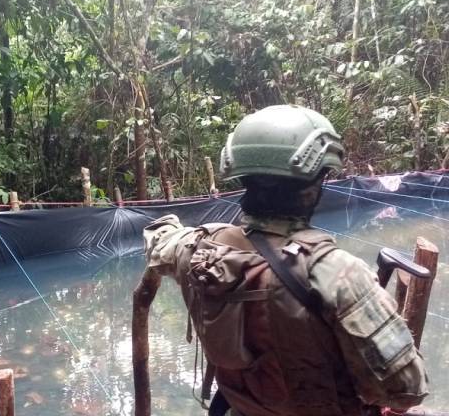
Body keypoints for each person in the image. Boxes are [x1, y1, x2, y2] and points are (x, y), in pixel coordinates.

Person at [143, 105, 428, 416]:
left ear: (244, 178)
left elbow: (158, 236)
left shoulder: (197, 249)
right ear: (315, 184)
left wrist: (179, 228)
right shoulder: (338, 273)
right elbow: (406, 391)